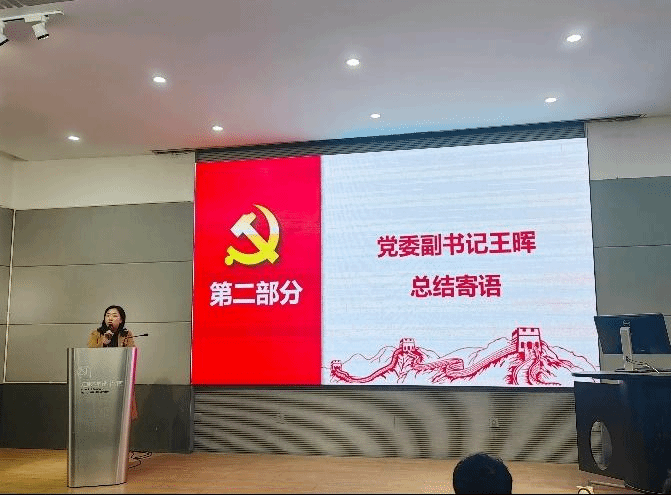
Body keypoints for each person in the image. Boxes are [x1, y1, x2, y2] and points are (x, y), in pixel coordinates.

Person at [88, 305, 138, 420]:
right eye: (107, 315)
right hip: (101, 379)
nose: (110, 318)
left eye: (114, 316)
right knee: (102, 415)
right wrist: (103, 343)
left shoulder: (127, 334)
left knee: (121, 416)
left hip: (120, 379)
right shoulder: (96, 334)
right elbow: (89, 354)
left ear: (121, 320)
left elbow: (131, 355)